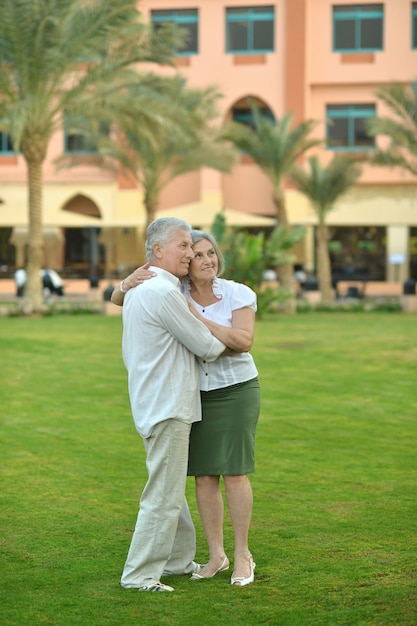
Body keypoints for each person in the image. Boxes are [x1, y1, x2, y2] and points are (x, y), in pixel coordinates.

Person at [112, 229, 260, 587]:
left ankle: (242, 555)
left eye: (211, 253)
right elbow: (120, 298)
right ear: (184, 265)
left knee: (235, 473)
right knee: (202, 478)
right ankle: (215, 556)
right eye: (196, 254)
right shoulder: (169, 291)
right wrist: (124, 282)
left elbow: (243, 341)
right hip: (196, 393)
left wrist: (196, 317)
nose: (206, 260)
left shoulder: (237, 293)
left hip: (235, 389)